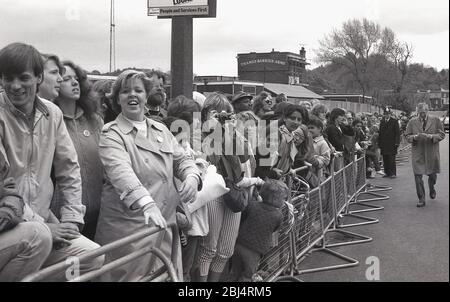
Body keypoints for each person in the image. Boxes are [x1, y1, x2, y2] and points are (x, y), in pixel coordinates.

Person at [0, 42, 104, 281]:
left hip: (42, 222)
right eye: (8, 78)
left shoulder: (52, 113)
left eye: (23, 78)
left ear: (38, 78)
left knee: (92, 257)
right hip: (9, 224)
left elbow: (69, 168)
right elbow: (5, 185)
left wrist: (71, 219)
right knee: (38, 237)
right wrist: (43, 226)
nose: (15, 86)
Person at [95, 70, 201, 281]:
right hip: (131, 233)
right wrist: (147, 204)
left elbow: (182, 160)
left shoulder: (160, 129)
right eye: (125, 91)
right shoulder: (111, 133)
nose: (132, 95)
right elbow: (121, 173)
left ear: (146, 96)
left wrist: (192, 176)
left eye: (138, 90)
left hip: (164, 229)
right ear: (117, 98)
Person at [195, 92, 263, 282]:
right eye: (216, 113)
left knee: (226, 249)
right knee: (209, 247)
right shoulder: (198, 134)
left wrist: (231, 132)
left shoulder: (235, 134)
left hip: (234, 189)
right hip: (212, 193)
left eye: (226, 113)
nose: (222, 117)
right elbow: (205, 161)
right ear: (205, 114)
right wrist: (212, 130)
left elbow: (243, 161)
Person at [53, 61, 104, 240]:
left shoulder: (95, 120)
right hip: (65, 219)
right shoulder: (50, 123)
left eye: (76, 78)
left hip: (99, 214)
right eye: (67, 79)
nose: (74, 82)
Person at [0, 149, 53, 282]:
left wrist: (73, 220)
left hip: (12, 223)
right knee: (37, 236)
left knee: (91, 254)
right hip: (24, 222)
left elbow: (10, 192)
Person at [231, 179, 288, 282]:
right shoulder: (278, 215)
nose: (284, 201)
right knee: (247, 276)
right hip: (255, 251)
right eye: (283, 199)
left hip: (239, 244)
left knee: (235, 272)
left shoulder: (252, 205)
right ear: (275, 198)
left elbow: (243, 218)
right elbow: (275, 228)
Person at [405, 103, 445, 207]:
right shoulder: (412, 122)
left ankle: (432, 188)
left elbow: (442, 134)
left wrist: (431, 136)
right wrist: (415, 137)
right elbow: (407, 136)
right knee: (417, 176)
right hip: (418, 153)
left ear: (427, 111)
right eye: (420, 113)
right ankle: (421, 198)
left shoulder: (436, 120)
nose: (422, 115)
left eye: (423, 112)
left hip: (431, 152)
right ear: (417, 111)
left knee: (432, 175)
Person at [378, 107, 400, 178]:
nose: (387, 115)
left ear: (390, 114)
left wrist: (397, 142)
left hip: (392, 143)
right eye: (385, 114)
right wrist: (379, 143)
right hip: (384, 143)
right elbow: (380, 133)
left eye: (388, 114)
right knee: (385, 158)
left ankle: (393, 173)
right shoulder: (382, 121)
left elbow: (397, 133)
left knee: (391, 159)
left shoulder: (394, 121)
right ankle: (387, 172)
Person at [307, 116, 331, 182]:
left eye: (312, 128)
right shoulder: (307, 141)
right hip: (308, 172)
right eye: (308, 128)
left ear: (319, 129)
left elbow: (326, 159)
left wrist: (316, 161)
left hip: (318, 173)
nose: (309, 130)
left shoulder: (323, 143)